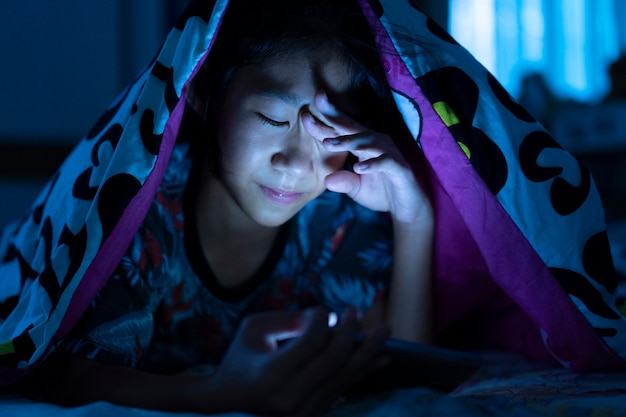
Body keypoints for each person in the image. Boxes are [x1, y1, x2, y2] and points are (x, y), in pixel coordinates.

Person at [2, 0, 624, 415]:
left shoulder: (337, 216)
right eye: (273, 118)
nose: (301, 164)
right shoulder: (141, 219)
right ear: (200, 99)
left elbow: (402, 361)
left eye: (333, 136)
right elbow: (67, 374)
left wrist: (414, 215)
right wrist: (219, 395)